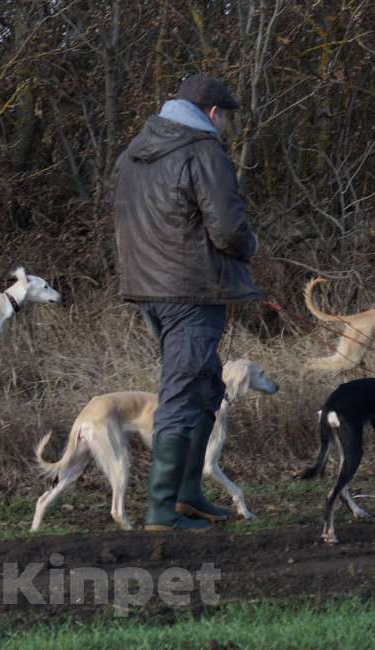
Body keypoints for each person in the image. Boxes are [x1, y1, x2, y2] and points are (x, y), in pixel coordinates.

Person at [111, 73, 262, 531]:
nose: (226, 127)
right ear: (212, 113)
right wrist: (251, 246)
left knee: (206, 385)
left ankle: (187, 495)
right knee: (181, 392)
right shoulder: (203, 151)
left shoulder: (132, 153)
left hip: (148, 288)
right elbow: (229, 229)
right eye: (226, 118)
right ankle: (162, 507)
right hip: (192, 289)